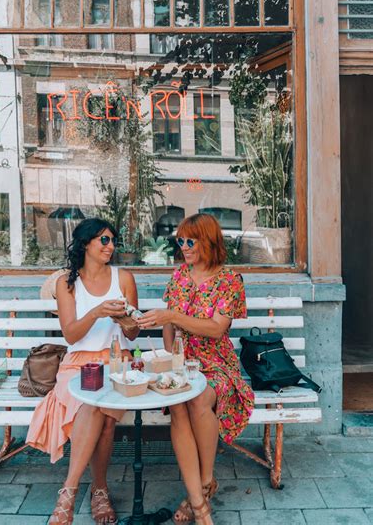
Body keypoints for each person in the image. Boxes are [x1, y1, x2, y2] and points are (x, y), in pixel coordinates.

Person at [138, 213, 254, 525]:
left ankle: (202, 484)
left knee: (199, 398)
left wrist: (171, 317)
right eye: (181, 241)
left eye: (191, 241)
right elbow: (168, 329)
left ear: (209, 241)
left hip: (217, 362)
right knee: (178, 405)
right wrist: (168, 353)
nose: (184, 247)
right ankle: (201, 504)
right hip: (181, 360)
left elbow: (217, 329)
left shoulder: (230, 280)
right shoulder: (179, 277)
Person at [26, 218, 138, 525]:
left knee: (100, 406)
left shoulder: (124, 278)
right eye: (104, 240)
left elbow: (132, 335)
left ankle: (71, 493)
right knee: (94, 405)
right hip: (77, 364)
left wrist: (127, 320)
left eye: (114, 241)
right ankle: (97, 490)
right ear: (85, 243)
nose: (111, 246)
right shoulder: (66, 283)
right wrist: (99, 311)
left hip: (116, 362)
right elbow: (71, 335)